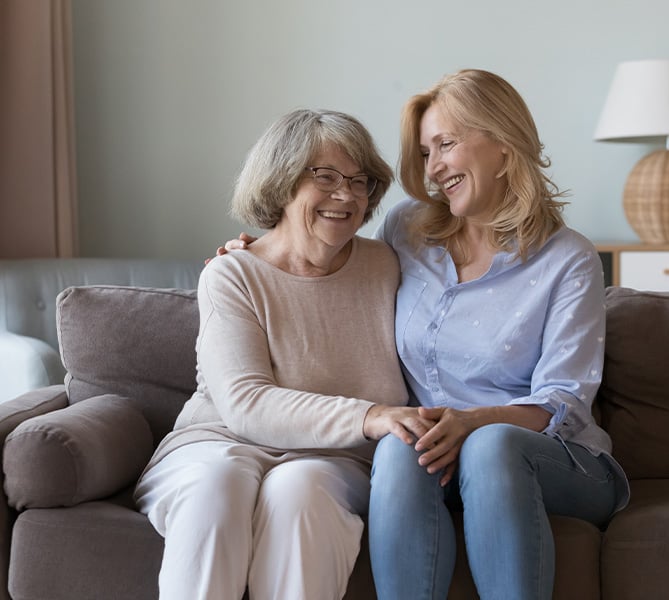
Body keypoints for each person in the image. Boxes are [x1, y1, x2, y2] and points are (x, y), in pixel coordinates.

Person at [220, 69, 630, 600]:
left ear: (504, 148)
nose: (433, 168)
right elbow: (326, 255)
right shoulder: (408, 231)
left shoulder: (568, 258)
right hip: (436, 455)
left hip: (552, 457)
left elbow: (565, 401)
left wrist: (473, 423)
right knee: (399, 443)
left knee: (490, 446)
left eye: (446, 145)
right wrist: (257, 254)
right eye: (424, 152)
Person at [134, 108, 434, 600]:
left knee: (300, 488)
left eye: (360, 182)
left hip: (334, 460)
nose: (346, 195)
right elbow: (245, 403)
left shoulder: (387, 265)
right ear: (282, 181)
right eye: (326, 176)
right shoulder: (232, 274)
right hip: (217, 445)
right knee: (219, 482)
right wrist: (372, 415)